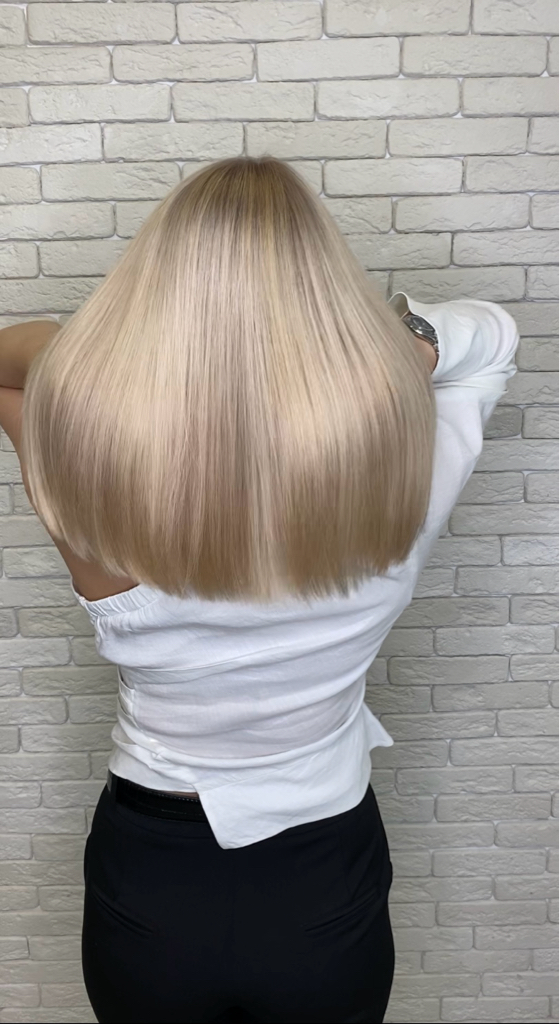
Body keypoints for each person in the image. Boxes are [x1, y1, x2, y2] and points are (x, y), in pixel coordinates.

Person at [0, 156, 519, 1024]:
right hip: (324, 877)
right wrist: (387, 354)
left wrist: (116, 365)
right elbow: (493, 334)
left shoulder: (83, 464)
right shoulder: (410, 471)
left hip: (152, 875)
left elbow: (10, 364)